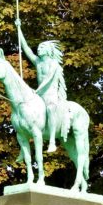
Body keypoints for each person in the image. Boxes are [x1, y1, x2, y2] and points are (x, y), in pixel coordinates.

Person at [15, 19, 69, 152]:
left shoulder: (53, 64)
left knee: (50, 109)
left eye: (42, 47)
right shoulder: (38, 62)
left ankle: (52, 141)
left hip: (50, 95)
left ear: (49, 50)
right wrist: (19, 29)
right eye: (38, 47)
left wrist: (36, 91)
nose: (39, 49)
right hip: (40, 95)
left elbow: (48, 80)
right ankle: (24, 142)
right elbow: (26, 48)